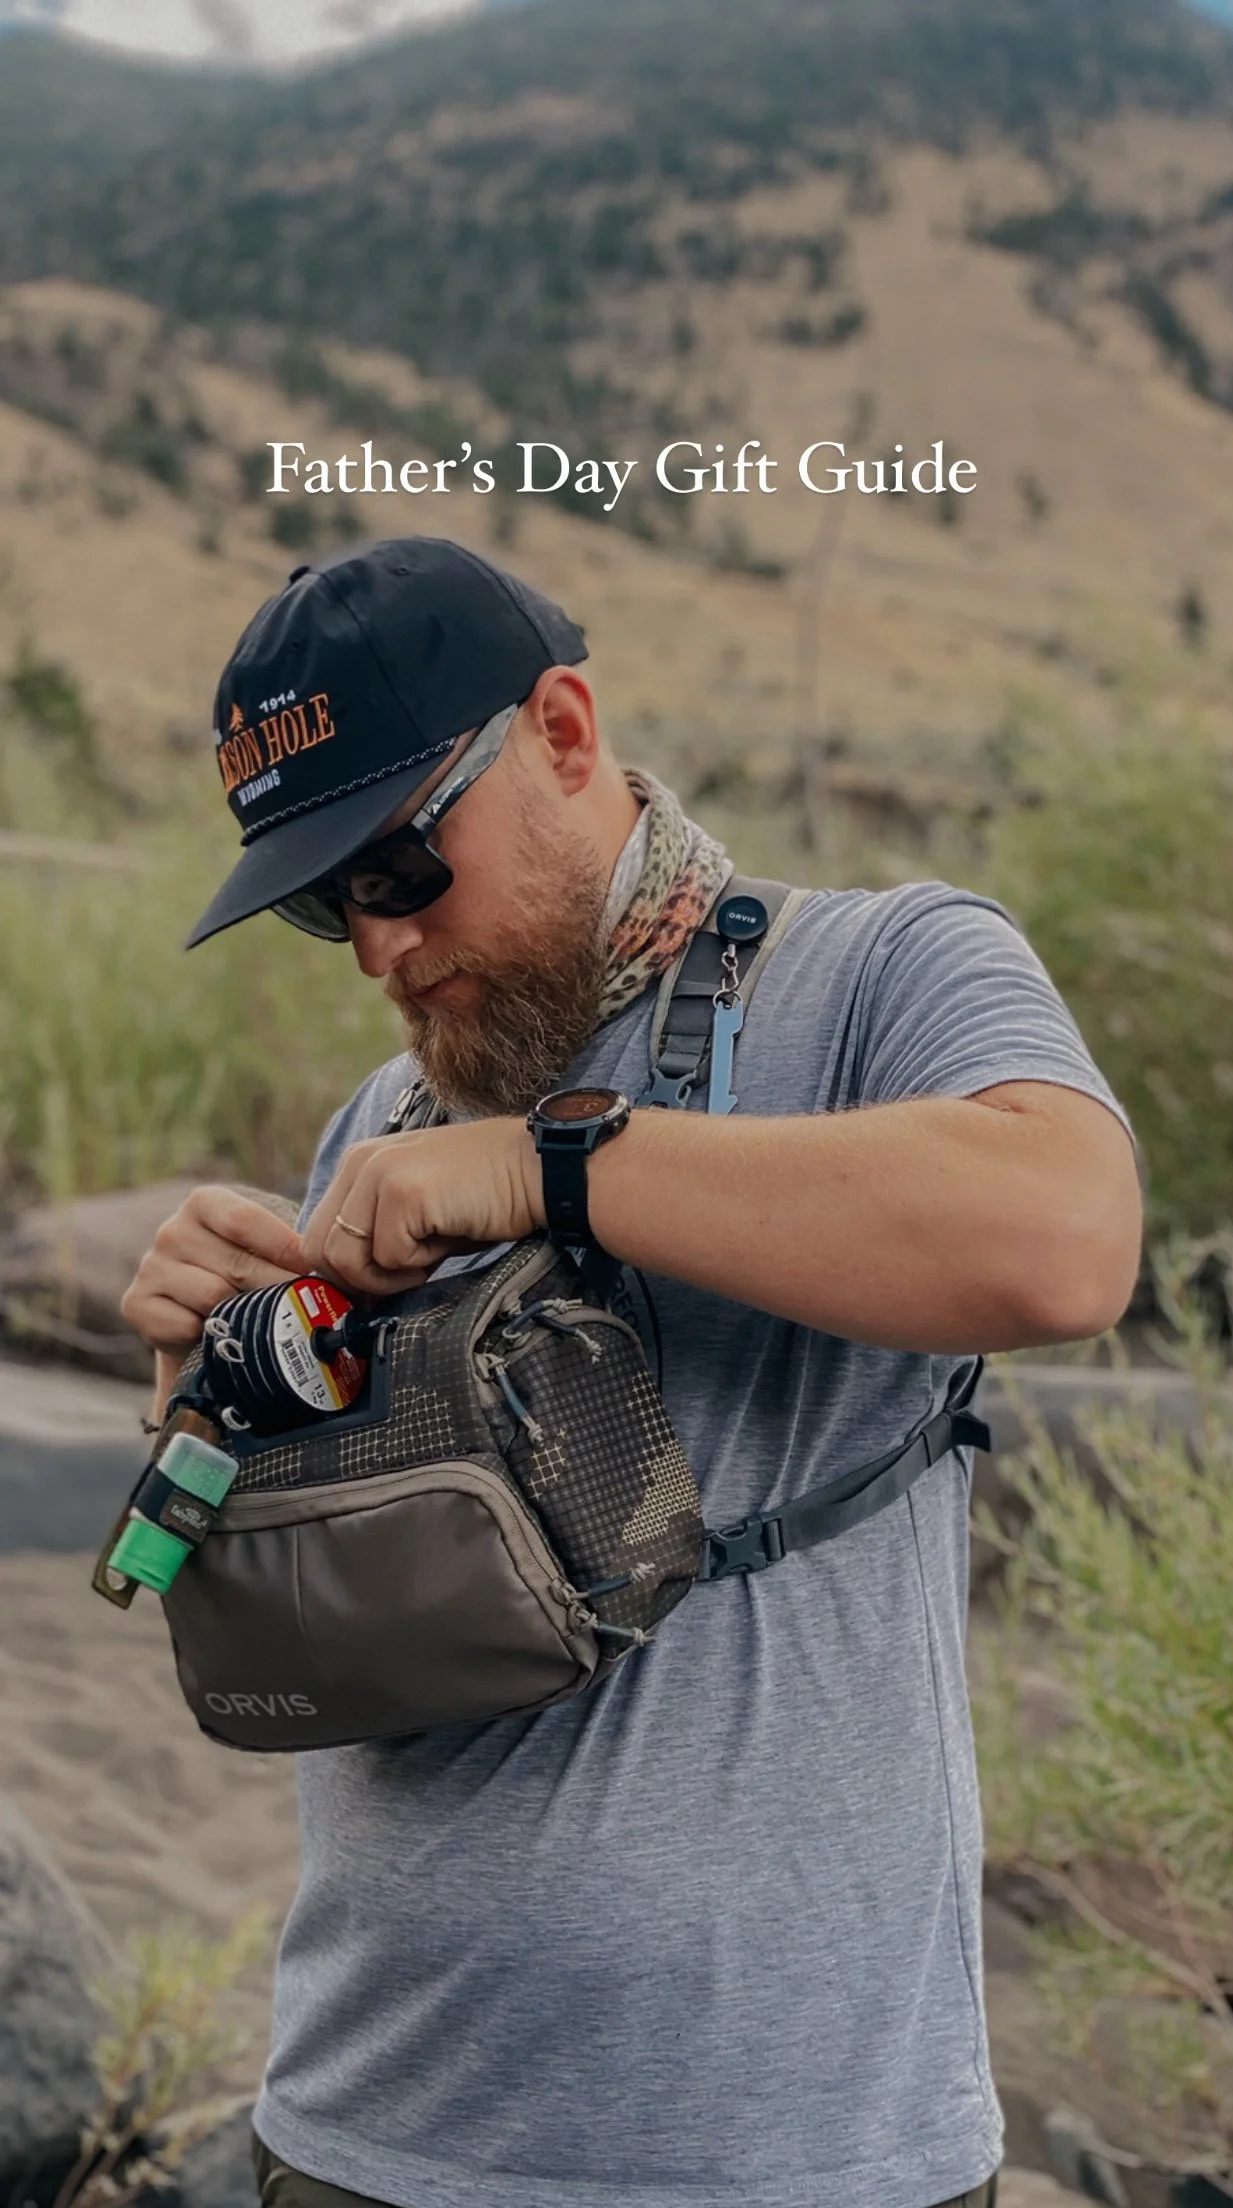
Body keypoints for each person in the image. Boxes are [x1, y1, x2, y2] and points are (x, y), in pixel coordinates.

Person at [122, 537, 1142, 2208]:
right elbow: (276, 1605)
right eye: (322, 905)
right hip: (365, 2129)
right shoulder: (379, 1128)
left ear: (566, 732)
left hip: (795, 2155)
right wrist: (205, 1384)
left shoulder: (882, 975)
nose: (377, 951)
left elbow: (1064, 1240)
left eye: (393, 867)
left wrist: (553, 1166)